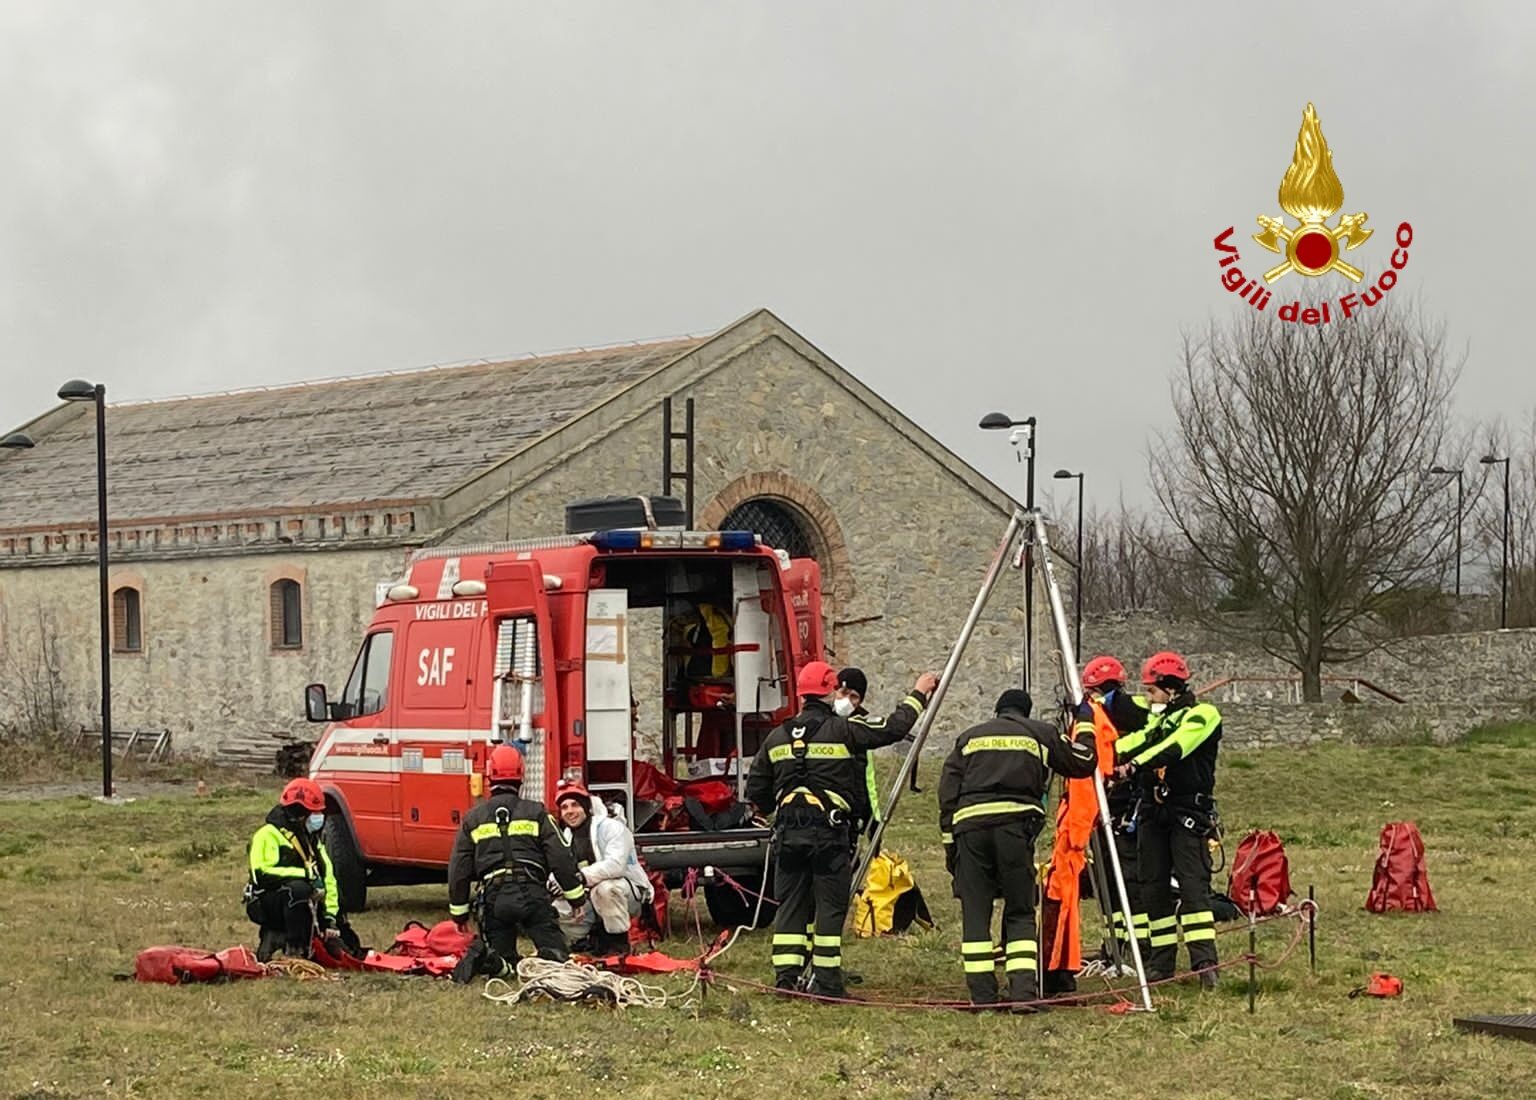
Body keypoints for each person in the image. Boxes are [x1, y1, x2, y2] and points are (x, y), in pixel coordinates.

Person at [746, 659, 939, 997]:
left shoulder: (777, 737)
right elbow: (894, 728)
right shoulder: (844, 730)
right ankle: (827, 982)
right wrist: (919, 694)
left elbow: (757, 792)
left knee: (790, 906)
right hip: (829, 837)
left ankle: (787, 979)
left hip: (788, 837)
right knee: (829, 908)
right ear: (830, 690)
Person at [939, 689, 1098, 1011]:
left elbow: (947, 792)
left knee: (976, 910)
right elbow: (1084, 761)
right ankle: (1024, 994)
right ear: (1026, 712)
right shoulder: (1040, 733)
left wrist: (950, 846)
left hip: (970, 828)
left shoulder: (969, 737)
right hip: (1014, 829)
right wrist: (1085, 721)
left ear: (997, 710)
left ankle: (982, 996)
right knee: (1020, 909)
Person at [1116, 651, 1223, 988]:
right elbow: (1131, 742)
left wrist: (1133, 766)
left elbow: (1176, 747)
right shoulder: (1159, 721)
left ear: (1171, 688)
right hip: (1152, 812)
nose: (1148, 698)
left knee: (1193, 888)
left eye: (1152, 691)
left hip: (1186, 811)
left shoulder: (1202, 715)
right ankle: (1161, 964)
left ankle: (1205, 963)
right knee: (1153, 887)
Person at [448, 743, 588, 983]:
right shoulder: (537, 813)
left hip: (494, 898)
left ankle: (492, 960)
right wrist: (576, 899)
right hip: (532, 894)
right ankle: (550, 958)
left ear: (489, 777)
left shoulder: (473, 818)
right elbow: (561, 857)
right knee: (558, 962)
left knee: (505, 967)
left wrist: (459, 914)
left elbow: (458, 869)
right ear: (521, 775)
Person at [245, 777, 356, 961]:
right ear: (299, 813)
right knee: (298, 890)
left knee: (348, 942)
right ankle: (294, 948)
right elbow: (261, 874)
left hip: (306, 901)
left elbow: (328, 878)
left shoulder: (311, 839)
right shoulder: (266, 835)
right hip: (268, 902)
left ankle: (319, 943)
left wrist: (331, 920)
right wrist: (306, 875)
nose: (319, 817)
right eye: (314, 813)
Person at [553, 783, 654, 956]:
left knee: (605, 890)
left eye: (575, 805)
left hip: (627, 894)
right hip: (590, 895)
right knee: (557, 908)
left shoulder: (612, 828)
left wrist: (581, 877)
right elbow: (561, 868)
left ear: (586, 807)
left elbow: (615, 866)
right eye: (564, 807)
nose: (570, 811)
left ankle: (618, 947)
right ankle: (587, 940)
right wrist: (555, 883)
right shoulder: (567, 836)